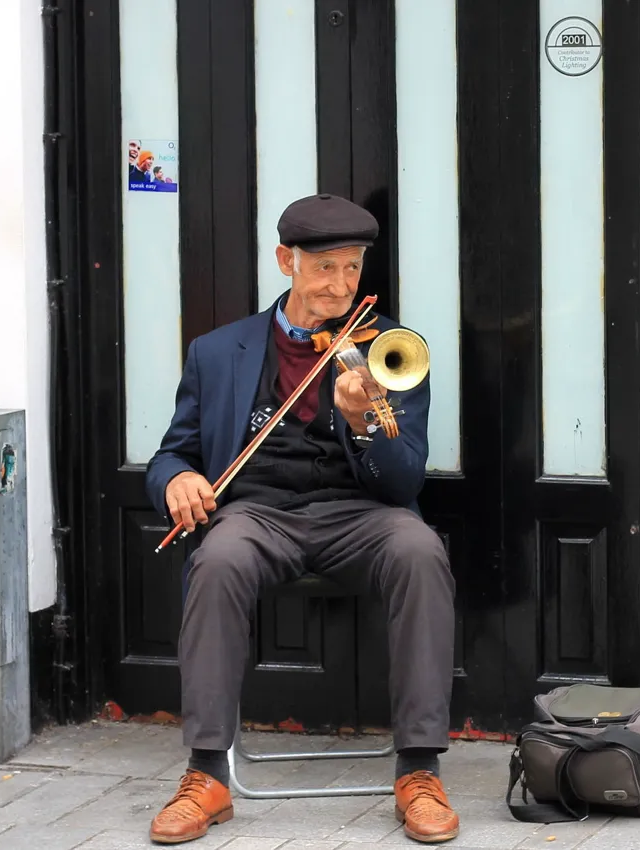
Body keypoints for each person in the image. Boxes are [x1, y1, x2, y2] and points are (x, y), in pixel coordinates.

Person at [144, 193, 460, 845]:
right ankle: (207, 774)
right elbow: (174, 452)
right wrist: (177, 479)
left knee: (420, 552)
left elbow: (404, 480)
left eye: (353, 268)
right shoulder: (218, 352)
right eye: (324, 268)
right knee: (217, 560)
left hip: (360, 514)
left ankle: (419, 770)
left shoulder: (390, 349)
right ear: (286, 261)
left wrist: (363, 422)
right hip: (258, 513)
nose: (341, 287)